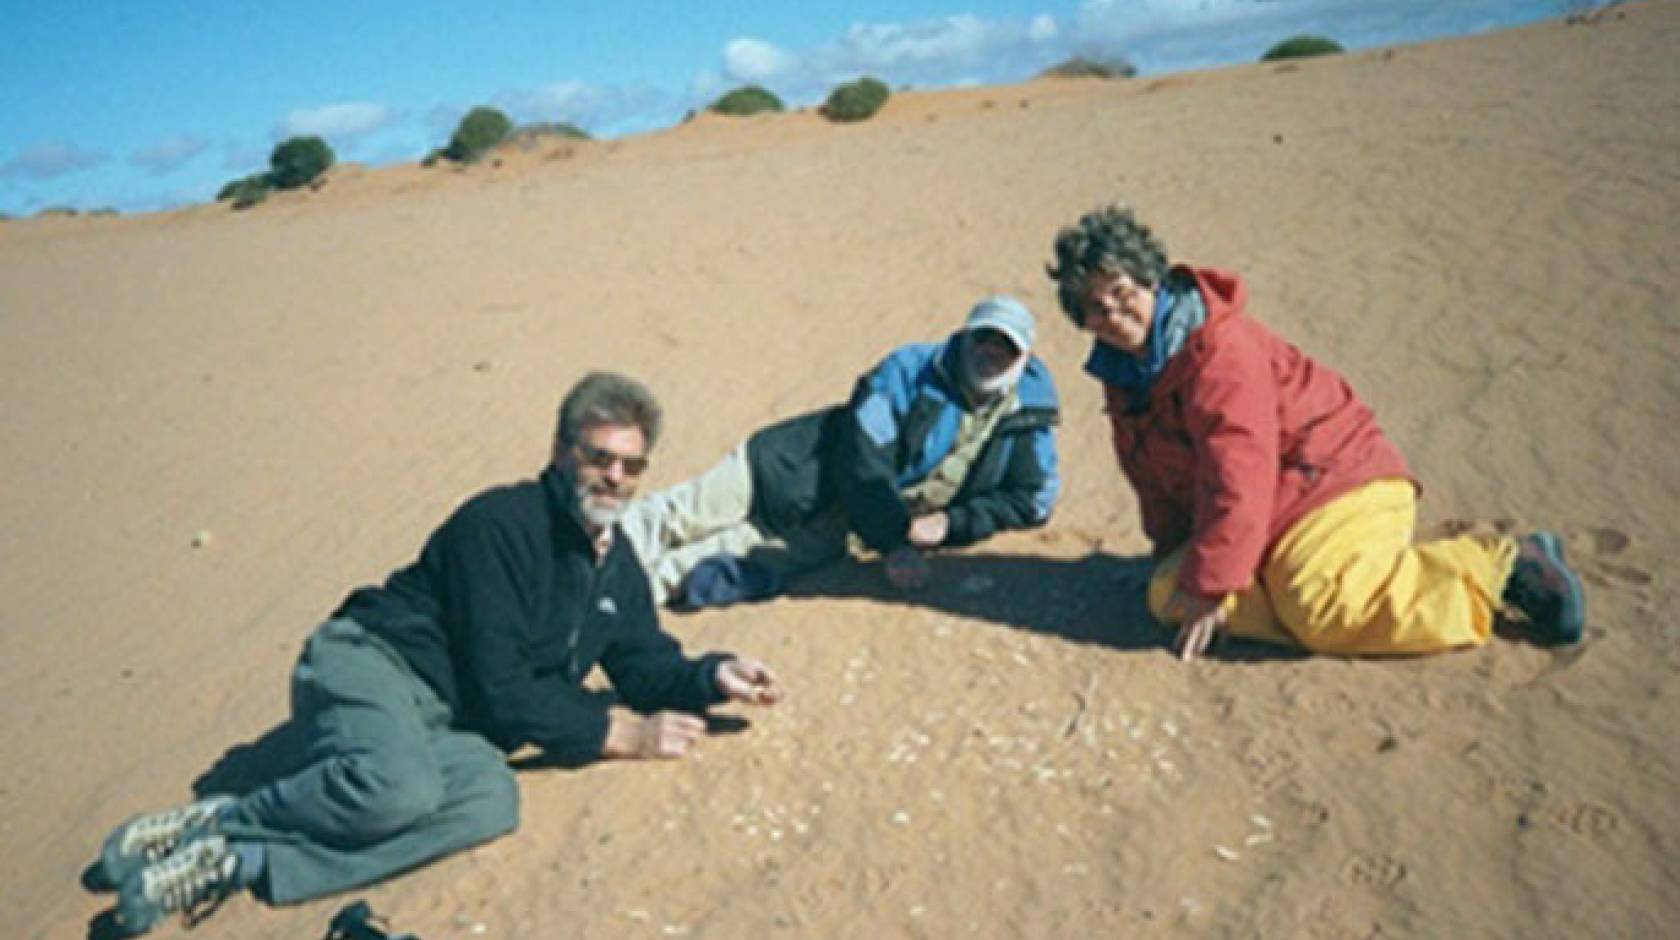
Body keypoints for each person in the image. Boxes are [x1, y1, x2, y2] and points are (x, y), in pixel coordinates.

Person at [89, 372, 784, 936]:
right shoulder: (498, 524)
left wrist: (711, 676)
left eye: (631, 465)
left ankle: (241, 857)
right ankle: (220, 815)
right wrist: (619, 734)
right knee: (401, 787)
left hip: (456, 719)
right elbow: (502, 684)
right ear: (560, 451)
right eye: (598, 456)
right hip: (375, 662)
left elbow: (641, 662)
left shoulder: (618, 564)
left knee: (489, 802)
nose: (614, 477)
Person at [1046, 204, 1586, 661]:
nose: (1113, 313)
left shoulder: (1220, 352)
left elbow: (1240, 472)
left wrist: (1212, 583)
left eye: (1122, 292)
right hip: (1271, 508)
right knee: (1168, 593)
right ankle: (1320, 582)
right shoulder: (1128, 374)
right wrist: (1177, 556)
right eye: (1094, 307)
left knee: (1320, 606)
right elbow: (1154, 477)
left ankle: (1499, 567)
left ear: (1152, 280)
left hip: (1335, 479)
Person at [619, 296, 1061, 608]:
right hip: (782, 469)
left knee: (702, 564)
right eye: (983, 338)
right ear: (964, 337)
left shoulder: (1028, 413)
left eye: (1006, 346)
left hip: (836, 530)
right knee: (676, 516)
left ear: (1024, 357)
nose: (991, 351)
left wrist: (951, 523)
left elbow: (1032, 500)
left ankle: (608, 603)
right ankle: (580, 552)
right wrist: (894, 544)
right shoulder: (907, 371)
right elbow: (864, 458)